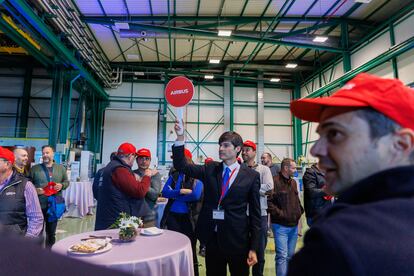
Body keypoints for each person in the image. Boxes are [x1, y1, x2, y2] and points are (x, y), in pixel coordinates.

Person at [287, 73, 414, 275]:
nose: (315, 150)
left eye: (335, 134)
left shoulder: (335, 245)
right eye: (320, 136)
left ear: (400, 145)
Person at [172, 120, 261, 276]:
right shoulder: (210, 169)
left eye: (226, 145)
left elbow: (255, 214)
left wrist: (254, 247)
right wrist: (180, 137)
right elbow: (182, 166)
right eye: (220, 145)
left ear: (237, 149)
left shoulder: (251, 176)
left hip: (237, 240)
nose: (221, 148)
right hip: (212, 238)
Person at [161, 148, 203, 276]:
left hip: (189, 219)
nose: (175, 161)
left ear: (187, 160)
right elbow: (164, 192)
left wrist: (173, 195)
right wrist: (179, 192)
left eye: (178, 159)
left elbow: (195, 195)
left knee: (189, 250)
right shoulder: (174, 174)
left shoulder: (197, 174)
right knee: (173, 249)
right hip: (172, 217)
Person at [95, 143, 153, 231]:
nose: (134, 161)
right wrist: (147, 176)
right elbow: (139, 191)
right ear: (130, 156)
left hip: (104, 217)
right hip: (115, 221)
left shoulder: (106, 169)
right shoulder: (120, 169)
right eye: (135, 158)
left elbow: (96, 193)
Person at [241, 140, 273, 276]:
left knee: (259, 252)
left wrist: (250, 188)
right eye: (243, 150)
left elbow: (269, 188)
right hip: (241, 215)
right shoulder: (238, 169)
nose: (244, 152)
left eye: (248, 150)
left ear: (254, 152)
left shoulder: (264, 170)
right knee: (242, 252)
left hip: (260, 214)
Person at [267, 158, 303, 276]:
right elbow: (269, 202)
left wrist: (299, 214)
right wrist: (281, 214)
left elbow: (297, 201)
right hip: (280, 226)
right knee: (282, 256)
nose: (295, 170)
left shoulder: (293, 182)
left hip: (293, 226)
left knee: (290, 256)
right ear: (286, 168)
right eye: (293, 167)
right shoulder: (274, 181)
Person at [0, 146, 43, 238]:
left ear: (7, 164)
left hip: (13, 243)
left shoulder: (26, 186)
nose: (26, 158)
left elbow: (36, 218)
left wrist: (26, 242)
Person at [30, 145, 69, 247]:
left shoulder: (61, 168)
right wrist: (34, 190)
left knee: (51, 233)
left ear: (53, 154)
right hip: (39, 204)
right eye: (43, 153)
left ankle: (49, 254)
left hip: (55, 204)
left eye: (47, 153)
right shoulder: (35, 169)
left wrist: (62, 185)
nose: (45, 155)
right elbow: (28, 184)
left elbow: (66, 182)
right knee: (38, 232)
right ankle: (36, 254)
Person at [133, 148, 162, 228]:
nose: (144, 161)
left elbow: (154, 195)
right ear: (136, 160)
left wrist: (141, 181)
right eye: (141, 158)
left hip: (149, 212)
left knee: (149, 237)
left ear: (150, 160)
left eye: (147, 159)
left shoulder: (155, 174)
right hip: (134, 212)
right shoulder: (132, 173)